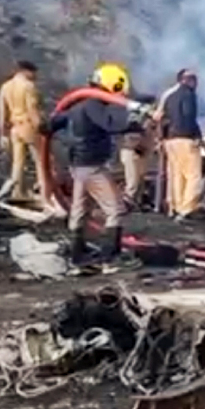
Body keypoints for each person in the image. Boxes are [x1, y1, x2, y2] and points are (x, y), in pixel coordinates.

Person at [44, 64, 151, 265]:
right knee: (115, 209)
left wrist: (48, 125)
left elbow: (56, 122)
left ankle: (77, 253)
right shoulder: (94, 105)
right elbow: (110, 124)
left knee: (80, 209)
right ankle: (110, 255)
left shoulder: (80, 104)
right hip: (93, 165)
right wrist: (135, 121)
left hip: (78, 164)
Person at [0, 61, 47, 202]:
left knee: (18, 162)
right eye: (33, 72)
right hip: (28, 125)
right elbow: (32, 109)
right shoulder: (28, 86)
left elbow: (2, 113)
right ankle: (45, 191)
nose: (35, 76)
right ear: (26, 71)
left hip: (14, 127)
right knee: (41, 160)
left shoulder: (5, 87)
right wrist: (41, 126)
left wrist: (2, 134)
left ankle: (17, 192)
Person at [161, 70, 203, 220]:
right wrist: (197, 136)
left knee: (176, 175)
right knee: (193, 175)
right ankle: (187, 208)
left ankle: (177, 207)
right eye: (194, 79)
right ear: (188, 80)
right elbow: (188, 116)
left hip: (170, 140)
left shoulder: (168, 95)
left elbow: (162, 117)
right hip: (185, 138)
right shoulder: (189, 95)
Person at [119, 94, 157, 209]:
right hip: (132, 152)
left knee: (140, 179)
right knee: (133, 181)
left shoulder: (146, 119)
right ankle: (125, 203)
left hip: (141, 152)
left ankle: (137, 202)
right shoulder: (134, 119)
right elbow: (132, 137)